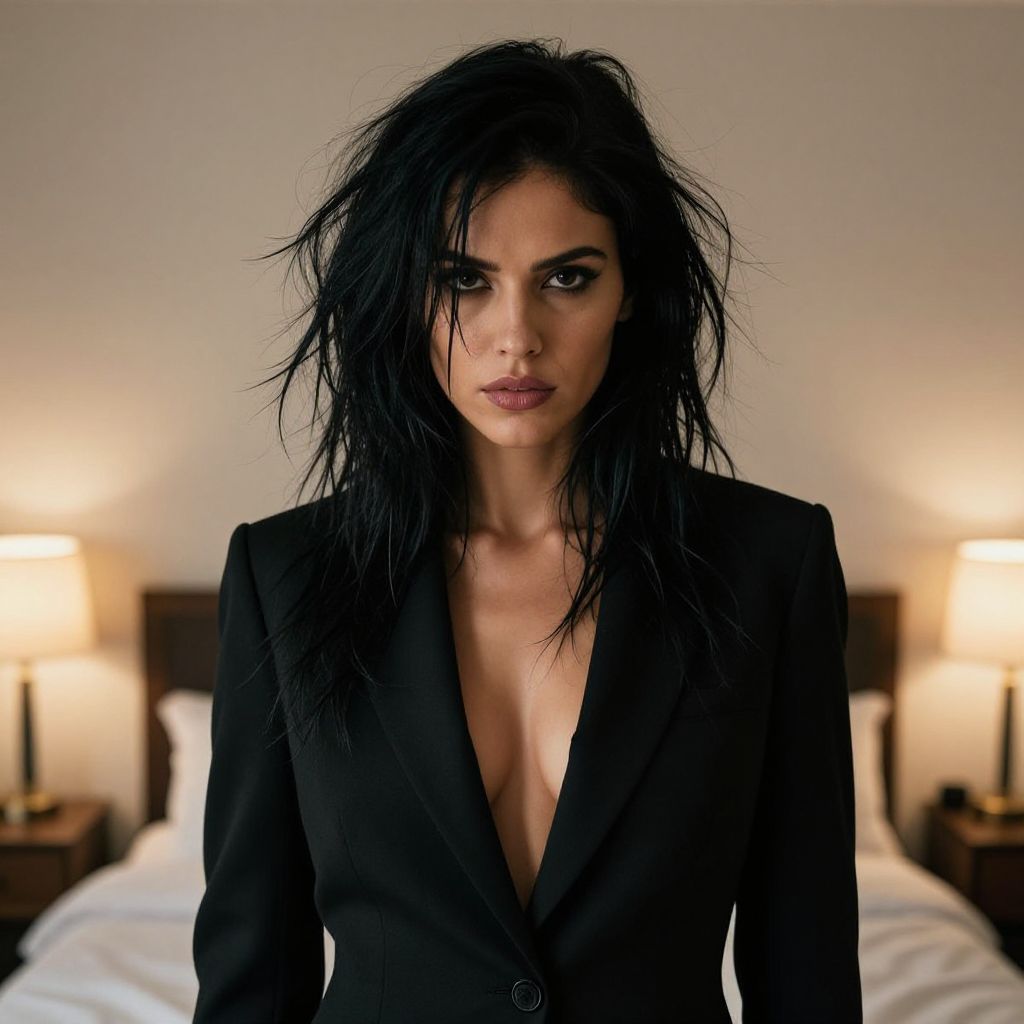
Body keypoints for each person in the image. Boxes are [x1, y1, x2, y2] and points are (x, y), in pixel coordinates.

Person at [191, 37, 862, 1024]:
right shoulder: (285, 574)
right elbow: (255, 975)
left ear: (631, 290)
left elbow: (804, 960)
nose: (515, 335)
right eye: (463, 278)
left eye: (567, 278)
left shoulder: (769, 563)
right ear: (406, 293)